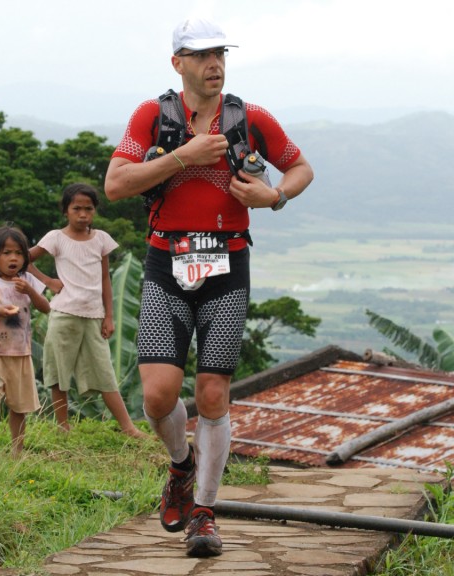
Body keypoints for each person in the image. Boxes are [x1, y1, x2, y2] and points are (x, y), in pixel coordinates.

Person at [103, 17, 313, 558]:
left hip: (228, 262)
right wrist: (183, 156)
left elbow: (300, 168)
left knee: (213, 394)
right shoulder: (153, 116)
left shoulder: (249, 117)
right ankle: (180, 466)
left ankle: (204, 512)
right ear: (178, 63)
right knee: (157, 395)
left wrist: (277, 197)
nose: (213, 63)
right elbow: (115, 184)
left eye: (219, 53)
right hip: (165, 260)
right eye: (200, 55)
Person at [28, 183, 148, 440]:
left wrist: (109, 316)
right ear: (66, 211)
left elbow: (105, 279)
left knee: (105, 373)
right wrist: (47, 281)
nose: (83, 214)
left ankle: (128, 428)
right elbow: (23, 259)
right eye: (77, 209)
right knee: (58, 373)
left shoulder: (101, 239)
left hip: (93, 317)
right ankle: (62, 427)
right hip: (63, 315)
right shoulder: (55, 238)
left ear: (95, 211)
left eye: (88, 209)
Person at [0, 225, 51, 459]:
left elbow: (45, 308)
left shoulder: (28, 281)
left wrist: (31, 291)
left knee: (19, 408)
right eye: (6, 252)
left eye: (18, 253)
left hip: (22, 354)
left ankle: (17, 454)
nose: (13, 257)